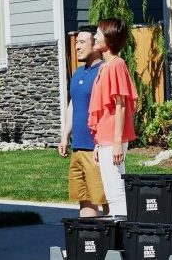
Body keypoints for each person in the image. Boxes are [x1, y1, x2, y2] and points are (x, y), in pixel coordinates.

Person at [88, 18, 138, 216]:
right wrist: (98, 144)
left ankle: (123, 235)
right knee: (110, 190)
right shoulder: (103, 67)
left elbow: (120, 103)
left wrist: (117, 141)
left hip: (114, 138)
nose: (95, 37)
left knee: (116, 190)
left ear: (109, 39)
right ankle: (117, 234)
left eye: (99, 34)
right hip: (105, 139)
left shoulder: (117, 64)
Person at [59, 26, 109, 217]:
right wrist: (65, 136)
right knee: (85, 200)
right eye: (76, 42)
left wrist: (102, 143)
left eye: (82, 42)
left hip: (96, 149)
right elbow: (73, 104)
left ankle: (114, 243)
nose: (77, 46)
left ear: (95, 45)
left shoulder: (104, 71)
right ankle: (90, 242)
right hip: (78, 148)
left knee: (105, 199)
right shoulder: (79, 73)